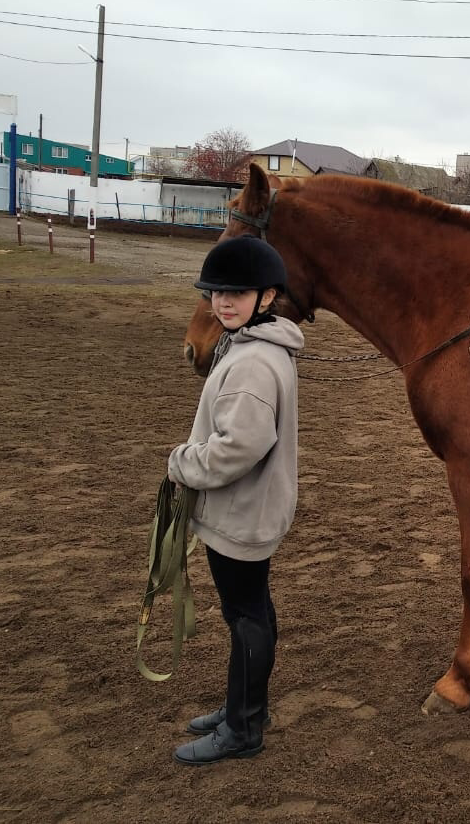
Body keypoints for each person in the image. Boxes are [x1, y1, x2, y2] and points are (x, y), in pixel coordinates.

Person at [168, 235, 303, 766]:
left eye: (236, 293)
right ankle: (245, 706)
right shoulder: (257, 347)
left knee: (245, 616)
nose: (222, 302)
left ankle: (243, 727)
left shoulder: (250, 364)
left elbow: (238, 448)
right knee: (253, 612)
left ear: (266, 297)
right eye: (215, 293)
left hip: (240, 511)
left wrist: (181, 463)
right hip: (251, 508)